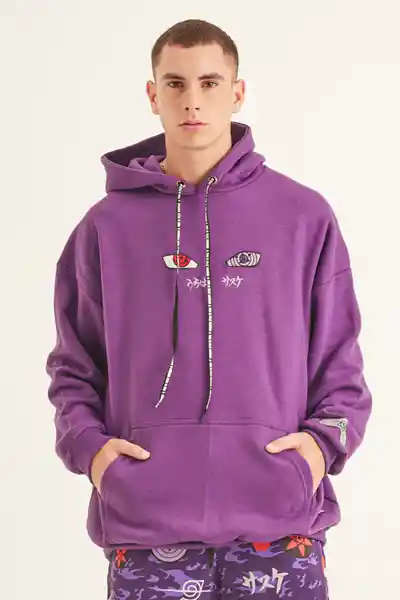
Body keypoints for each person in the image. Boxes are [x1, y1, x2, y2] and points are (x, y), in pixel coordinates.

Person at [46, 18, 372, 600]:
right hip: (147, 526)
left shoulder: (303, 216)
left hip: (280, 525)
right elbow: (74, 367)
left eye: (210, 83)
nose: (192, 101)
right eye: (175, 83)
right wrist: (93, 454)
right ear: (153, 95)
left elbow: (340, 365)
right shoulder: (104, 229)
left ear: (237, 92)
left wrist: (319, 448)